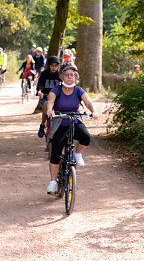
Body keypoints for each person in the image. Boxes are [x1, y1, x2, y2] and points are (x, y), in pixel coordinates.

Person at [45, 62, 99, 194]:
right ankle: (53, 182)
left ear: (76, 77)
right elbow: (50, 102)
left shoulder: (78, 90)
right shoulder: (56, 90)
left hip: (74, 121)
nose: (70, 77)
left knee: (86, 138)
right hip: (60, 122)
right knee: (56, 153)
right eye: (67, 75)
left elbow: (88, 102)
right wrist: (50, 110)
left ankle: (77, 153)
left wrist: (94, 111)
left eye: (72, 75)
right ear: (62, 76)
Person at [36, 56, 61, 138]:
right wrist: (39, 91)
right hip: (46, 97)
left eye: (56, 66)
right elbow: (40, 84)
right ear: (49, 66)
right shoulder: (44, 74)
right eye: (52, 65)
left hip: (58, 98)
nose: (54, 68)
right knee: (47, 106)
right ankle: (42, 125)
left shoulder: (60, 75)